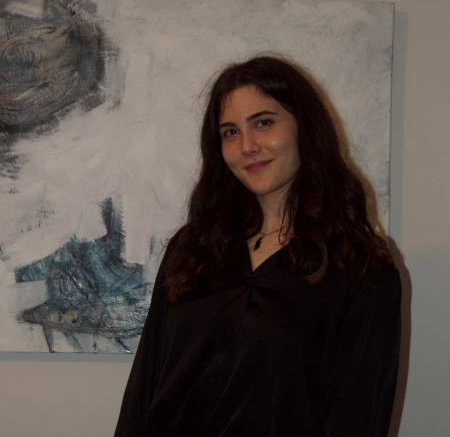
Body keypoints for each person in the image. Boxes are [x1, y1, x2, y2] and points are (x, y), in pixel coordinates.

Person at [114, 55, 401, 437]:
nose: (247, 146)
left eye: (264, 123)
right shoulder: (193, 248)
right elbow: (144, 387)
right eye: (230, 132)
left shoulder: (361, 266)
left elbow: (358, 415)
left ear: (304, 127)